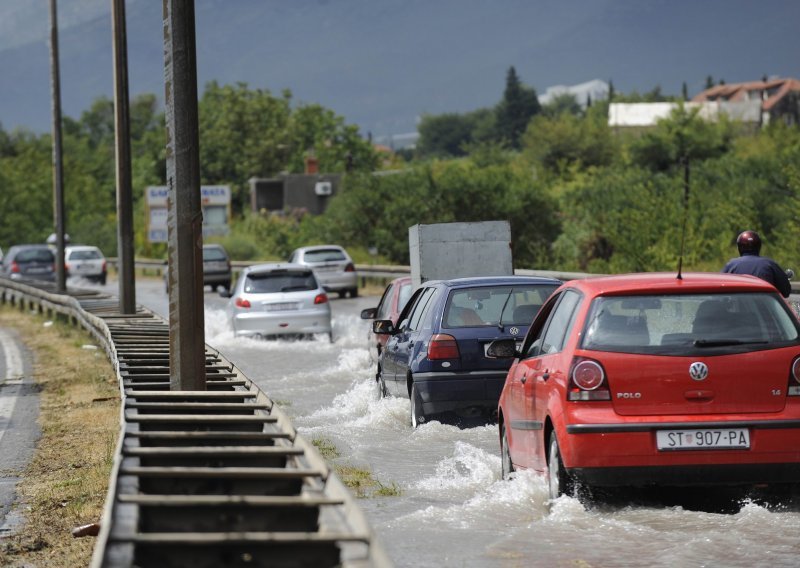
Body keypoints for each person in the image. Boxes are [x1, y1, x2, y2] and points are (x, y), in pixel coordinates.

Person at [722, 230, 792, 298]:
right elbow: (786, 291)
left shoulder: (731, 265)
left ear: (739, 247)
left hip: (737, 309)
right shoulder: (769, 264)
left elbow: (720, 290)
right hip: (763, 308)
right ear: (759, 246)